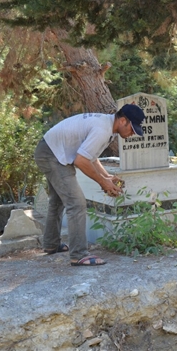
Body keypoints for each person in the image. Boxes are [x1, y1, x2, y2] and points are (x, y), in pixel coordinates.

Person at [34, 104, 146, 266]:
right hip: (52, 154)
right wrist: (103, 182)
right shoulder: (102, 129)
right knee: (76, 203)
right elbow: (81, 161)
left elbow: (91, 157)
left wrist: (106, 177)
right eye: (132, 129)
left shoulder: (108, 127)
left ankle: (51, 244)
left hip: (51, 149)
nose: (132, 134)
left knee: (58, 201)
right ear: (123, 121)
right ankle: (79, 254)